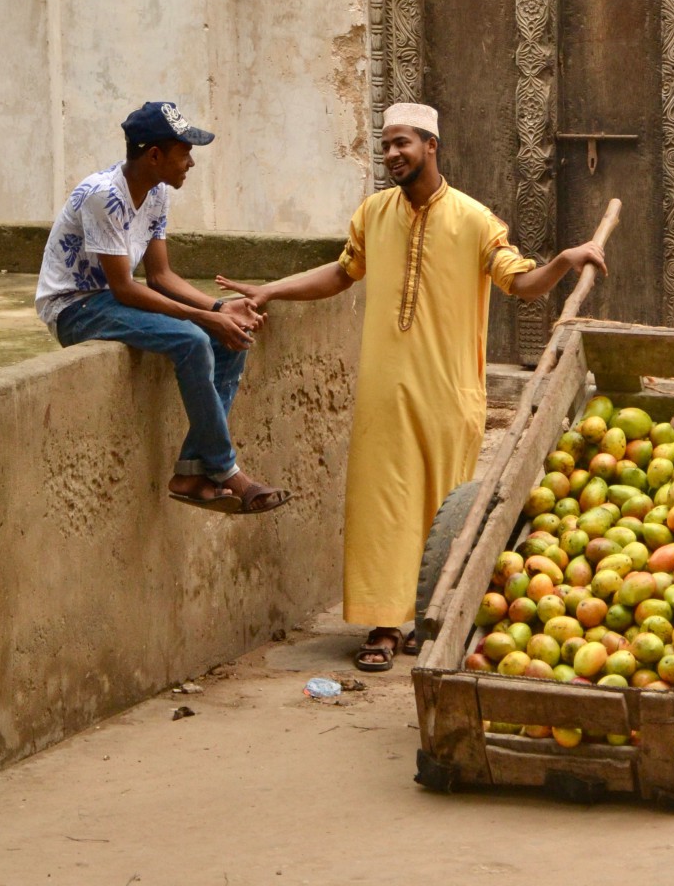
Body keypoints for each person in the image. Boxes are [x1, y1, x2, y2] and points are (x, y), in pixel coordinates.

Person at [216, 102, 606, 668]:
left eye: (403, 143)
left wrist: (566, 260)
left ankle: (435, 616)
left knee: (443, 507)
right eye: (386, 145)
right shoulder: (373, 213)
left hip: (449, 394)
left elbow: (521, 283)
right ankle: (383, 626)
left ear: (431, 145)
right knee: (384, 505)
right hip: (384, 390)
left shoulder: (476, 220)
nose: (393, 154)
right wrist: (271, 290)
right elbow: (341, 272)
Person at [35, 101, 290, 515]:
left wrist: (221, 308)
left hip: (110, 298)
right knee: (191, 339)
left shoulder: (155, 193)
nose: (190, 162)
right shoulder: (105, 196)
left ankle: (192, 470)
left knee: (230, 340)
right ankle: (228, 472)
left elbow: (160, 277)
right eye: (183, 152)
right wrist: (204, 317)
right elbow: (124, 289)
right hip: (74, 307)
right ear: (154, 155)